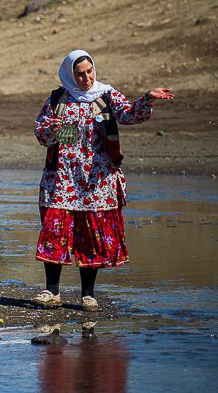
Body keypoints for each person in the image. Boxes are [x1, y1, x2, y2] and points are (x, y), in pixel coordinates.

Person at [32, 49, 174, 311]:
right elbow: (43, 136)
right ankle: (51, 291)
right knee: (55, 231)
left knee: (91, 235)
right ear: (69, 75)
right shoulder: (59, 99)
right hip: (63, 179)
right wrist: (52, 130)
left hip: (97, 180)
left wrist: (147, 99)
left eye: (89, 71)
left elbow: (130, 115)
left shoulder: (105, 96)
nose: (86, 78)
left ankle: (88, 295)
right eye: (79, 74)